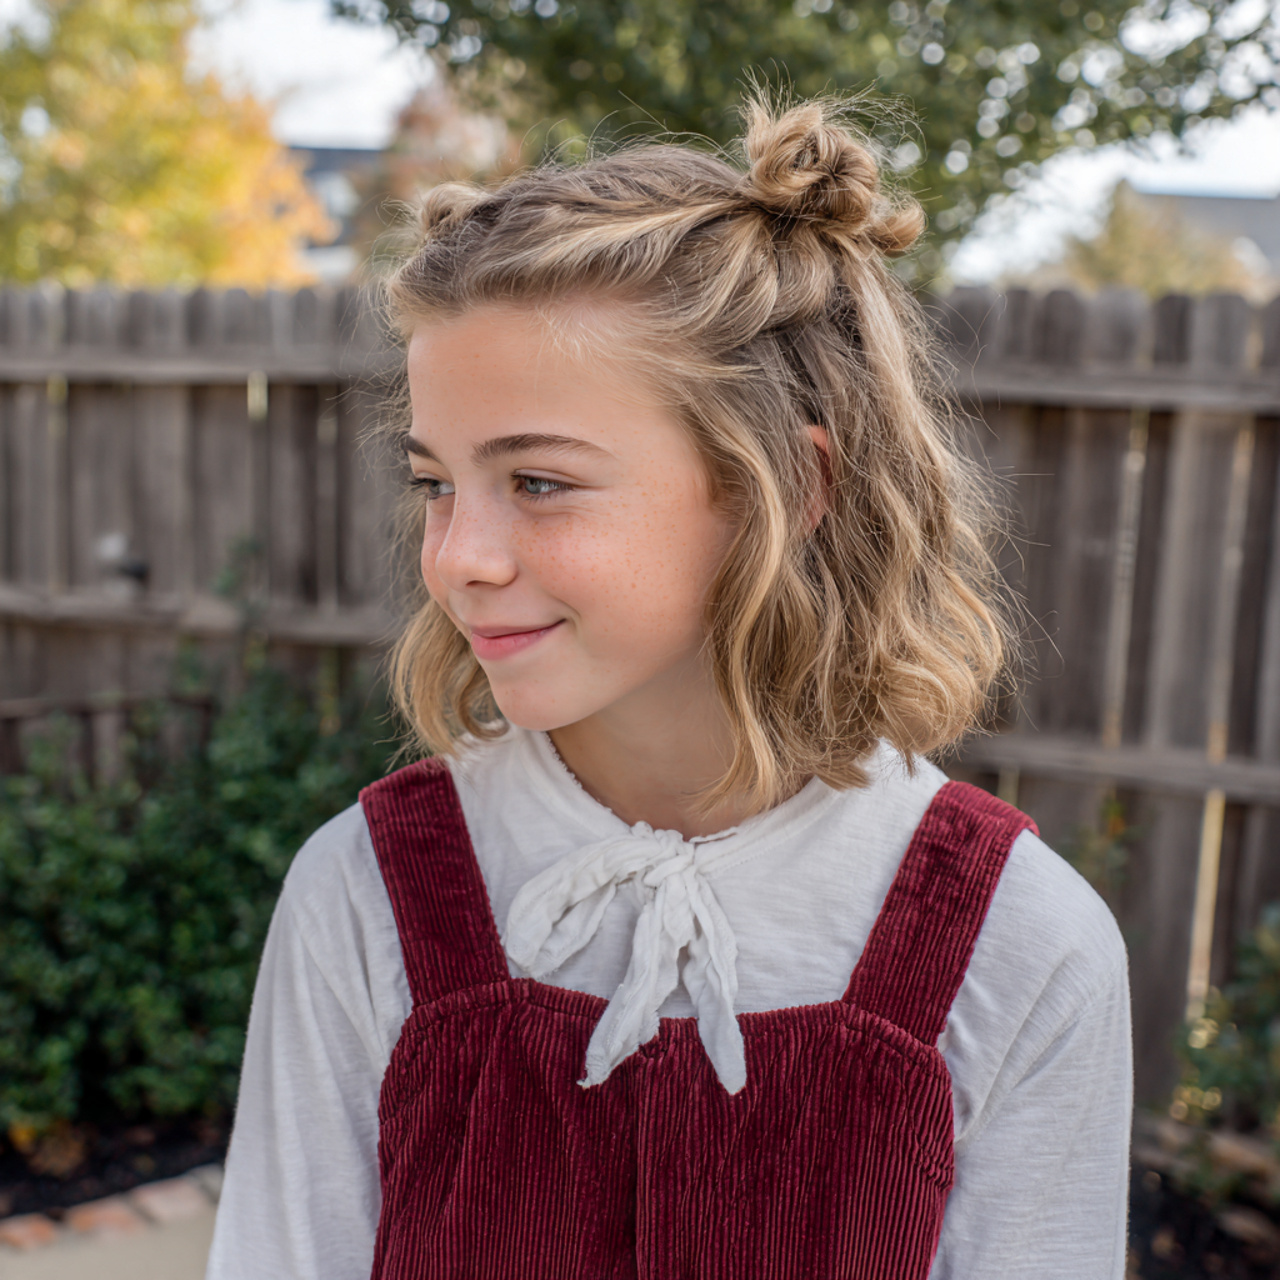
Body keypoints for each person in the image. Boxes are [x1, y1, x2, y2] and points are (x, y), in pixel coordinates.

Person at [206, 95, 1132, 1280]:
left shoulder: (1021, 947)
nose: (458, 556)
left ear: (784, 485)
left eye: (537, 481)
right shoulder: (362, 896)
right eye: (435, 482)